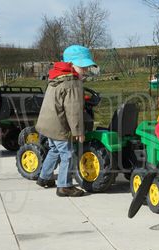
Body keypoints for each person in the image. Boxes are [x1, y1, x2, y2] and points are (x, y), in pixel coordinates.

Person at [35, 45, 96, 197]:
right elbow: (74, 111)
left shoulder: (55, 77)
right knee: (68, 154)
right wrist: (78, 132)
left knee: (54, 150)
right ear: (71, 65)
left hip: (47, 124)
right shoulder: (73, 83)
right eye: (83, 67)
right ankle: (64, 186)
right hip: (58, 126)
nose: (86, 71)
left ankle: (44, 177)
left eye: (87, 68)